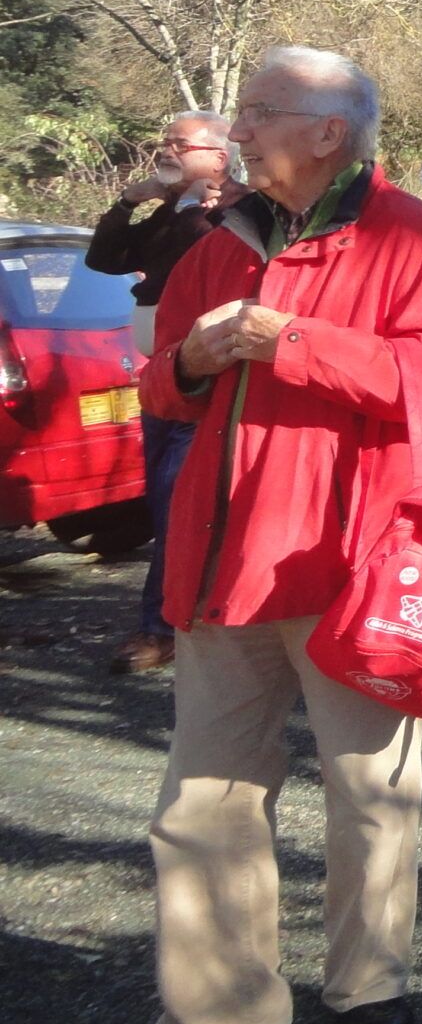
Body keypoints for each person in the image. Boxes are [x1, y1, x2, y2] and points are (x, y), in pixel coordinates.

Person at [83, 47, 422, 1024]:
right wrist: (196, 362)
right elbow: (163, 385)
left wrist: (290, 339)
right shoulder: (219, 243)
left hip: (353, 561)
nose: (236, 128)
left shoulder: (412, 235)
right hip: (225, 563)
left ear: (327, 133)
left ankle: (368, 989)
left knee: (370, 791)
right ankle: (217, 1009)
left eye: (258, 111)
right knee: (202, 797)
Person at [84, 111, 236, 674]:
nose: (165, 149)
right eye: (164, 140)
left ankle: (163, 629)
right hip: (159, 384)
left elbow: (205, 261)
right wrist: (130, 201)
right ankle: (186, 617)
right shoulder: (173, 212)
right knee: (164, 507)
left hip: (200, 386)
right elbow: (103, 259)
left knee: (178, 508)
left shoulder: (231, 214)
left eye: (180, 143)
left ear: (219, 156)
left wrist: (202, 204)